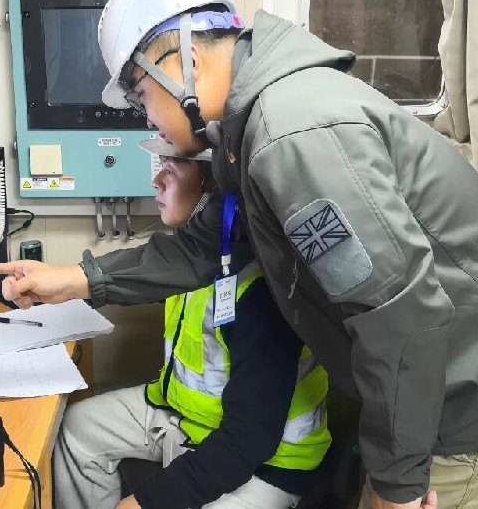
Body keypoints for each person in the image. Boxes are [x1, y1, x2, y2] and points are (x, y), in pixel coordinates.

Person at [0, 0, 478, 509]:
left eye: (142, 96)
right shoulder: (247, 128)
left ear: (184, 62)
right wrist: (81, 278)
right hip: (433, 393)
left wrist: (398, 483)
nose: (147, 118)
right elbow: (204, 248)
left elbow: (400, 316)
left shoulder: (291, 134)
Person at [54, 139, 331, 509]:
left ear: (214, 187)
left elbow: (248, 441)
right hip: (189, 419)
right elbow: (136, 281)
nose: (156, 181)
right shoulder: (191, 261)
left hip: (268, 462)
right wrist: (63, 287)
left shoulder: (261, 289)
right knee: (79, 428)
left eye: (170, 169)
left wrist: (147, 502)